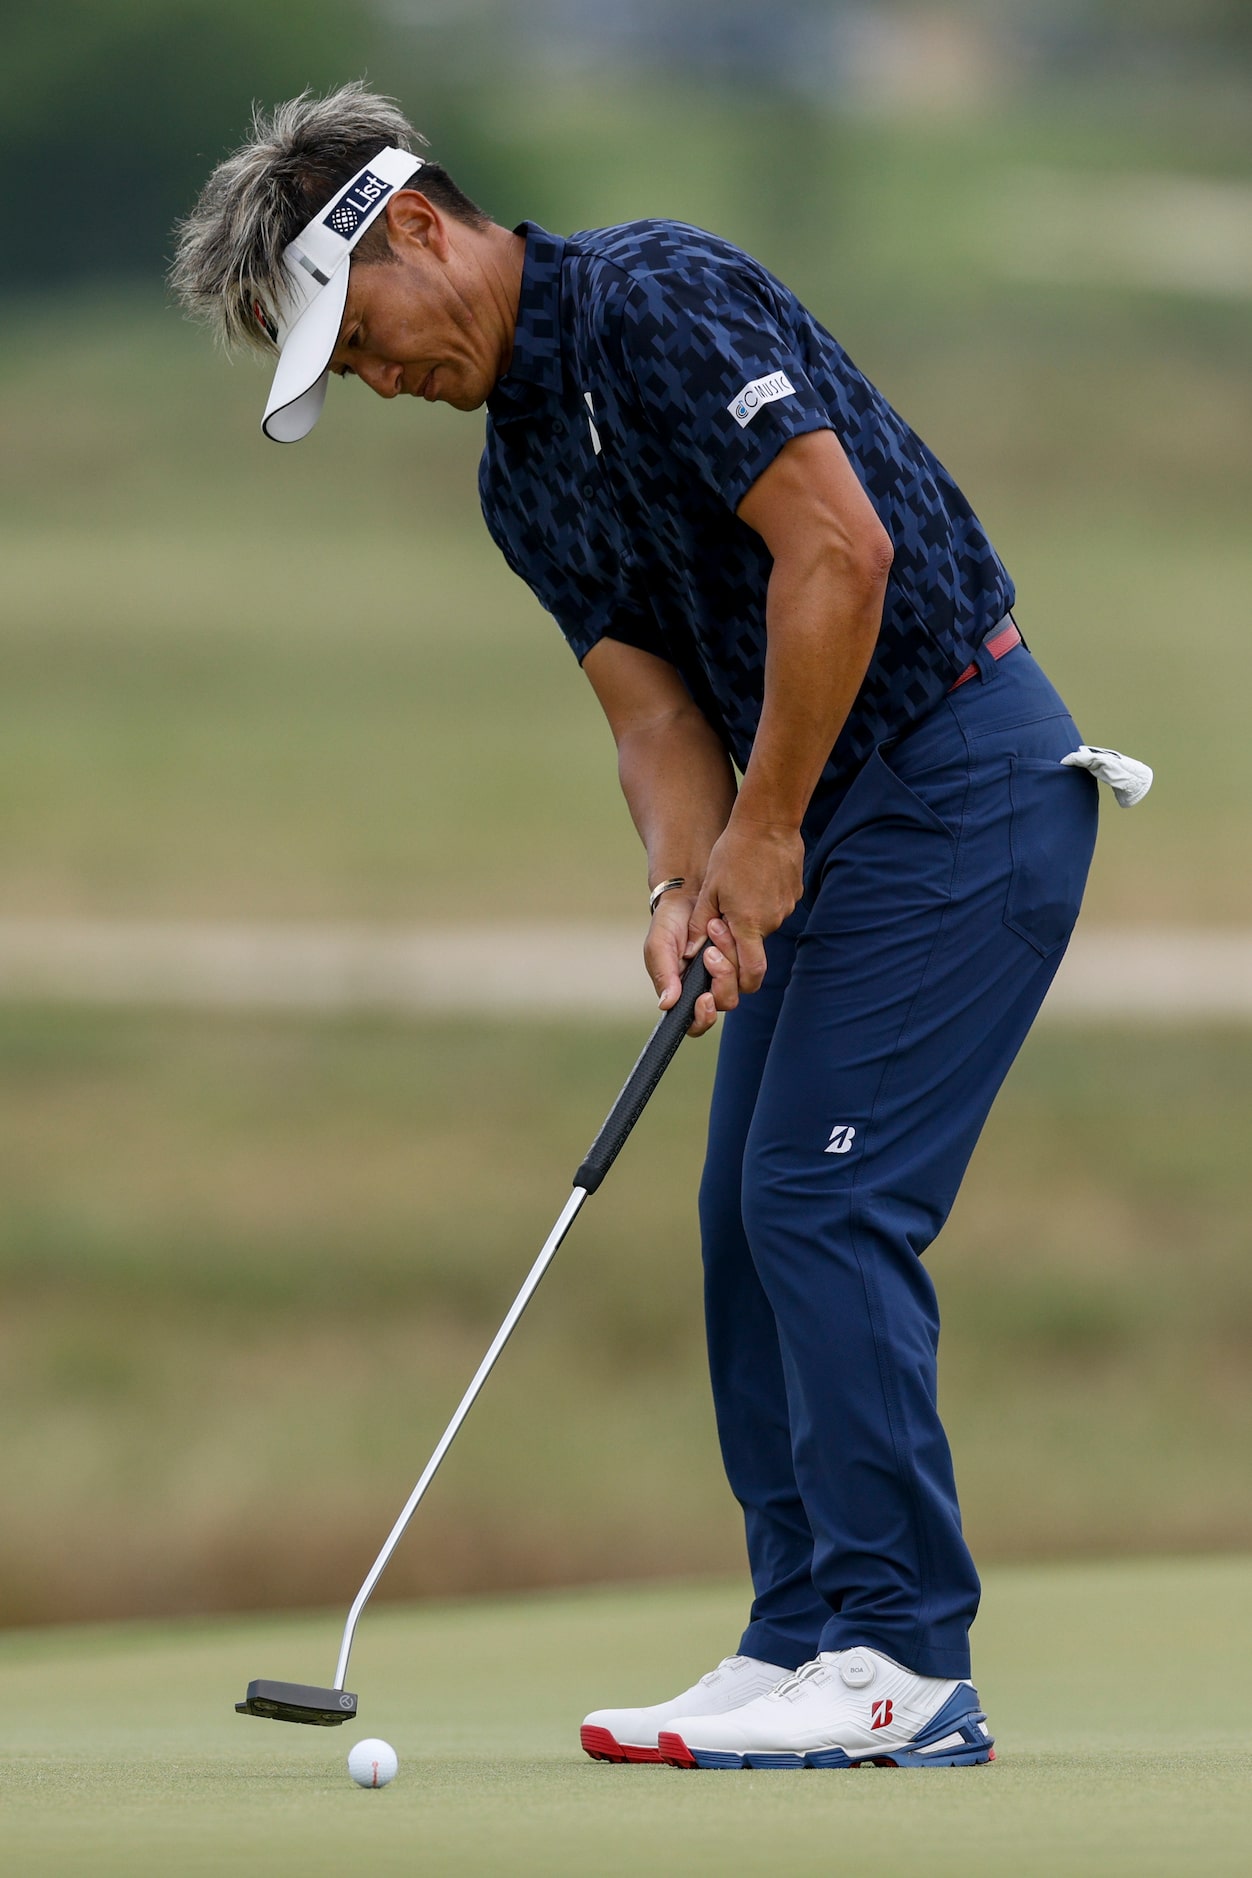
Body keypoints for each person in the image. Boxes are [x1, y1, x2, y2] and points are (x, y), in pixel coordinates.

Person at [174, 83, 1101, 1771]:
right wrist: (684, 887)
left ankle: (904, 1657)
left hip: (965, 774)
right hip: (824, 815)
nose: (380, 379)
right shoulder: (518, 473)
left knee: (821, 1196)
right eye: (348, 373)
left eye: (363, 339)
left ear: (419, 230)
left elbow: (843, 555)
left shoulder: (656, 297)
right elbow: (654, 716)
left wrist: (762, 835)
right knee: (747, 1218)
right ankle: (805, 1628)